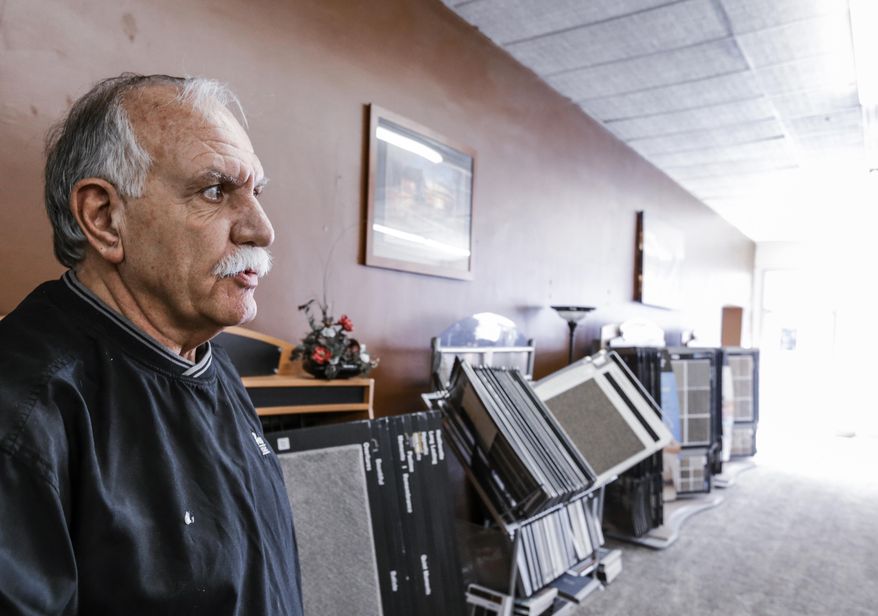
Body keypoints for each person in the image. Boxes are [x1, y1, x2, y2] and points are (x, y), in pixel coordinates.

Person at [0, 74, 304, 615]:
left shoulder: (206, 356)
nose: (261, 229)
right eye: (216, 190)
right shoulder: (25, 411)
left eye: (255, 193)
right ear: (104, 218)